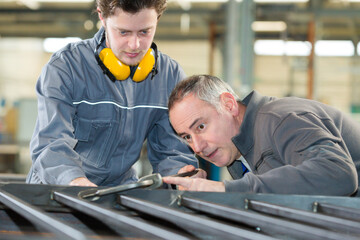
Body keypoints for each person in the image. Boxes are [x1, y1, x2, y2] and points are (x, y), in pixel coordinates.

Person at [26, 0, 198, 187]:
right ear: (102, 16)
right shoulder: (66, 68)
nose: (134, 45)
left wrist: (181, 176)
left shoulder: (169, 76)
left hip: (118, 191)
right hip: (58, 189)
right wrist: (74, 182)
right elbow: (51, 143)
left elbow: (172, 152)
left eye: (144, 32)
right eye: (123, 32)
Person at [163, 74, 360, 196]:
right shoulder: (237, 151)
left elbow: (338, 174)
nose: (197, 148)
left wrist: (227, 190)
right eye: (187, 137)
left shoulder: (280, 119)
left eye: (201, 127)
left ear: (228, 105)